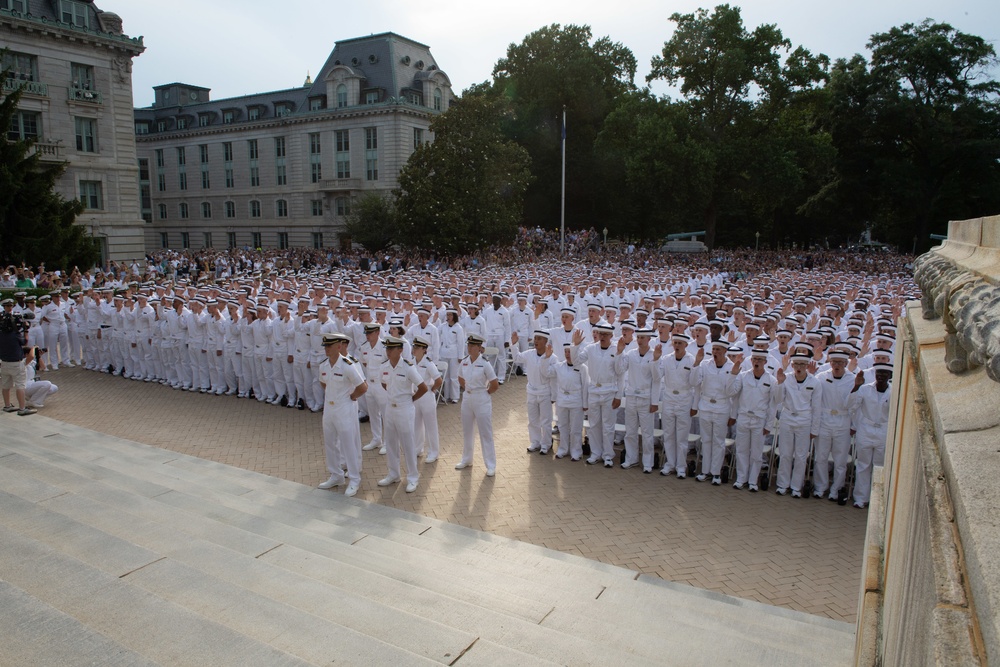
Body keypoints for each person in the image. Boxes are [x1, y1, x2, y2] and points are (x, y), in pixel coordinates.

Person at [317, 332, 367, 497]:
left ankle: (354, 479)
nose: (327, 349)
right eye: (325, 346)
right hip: (329, 408)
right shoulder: (323, 365)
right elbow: (323, 383)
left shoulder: (347, 365)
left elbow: (363, 386)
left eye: (329, 346)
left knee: (348, 444)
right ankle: (336, 475)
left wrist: (352, 397)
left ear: (338, 347)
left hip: (344, 408)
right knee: (330, 443)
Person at [378, 336, 428, 493]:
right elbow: (383, 383)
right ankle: (393, 474)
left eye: (391, 349)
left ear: (400, 350)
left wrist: (410, 398)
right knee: (391, 443)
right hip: (390, 408)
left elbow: (423, 387)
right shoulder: (384, 366)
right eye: (387, 348)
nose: (388, 351)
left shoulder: (408, 367)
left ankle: (413, 477)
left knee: (408, 444)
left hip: (405, 408)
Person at [571, 323, 624, 468]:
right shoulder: (590, 348)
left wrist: (618, 396)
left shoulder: (616, 349)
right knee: (593, 425)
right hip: (594, 390)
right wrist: (575, 346)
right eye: (600, 334)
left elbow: (620, 374)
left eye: (606, 334)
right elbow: (575, 362)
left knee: (608, 426)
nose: (602, 337)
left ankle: (608, 455)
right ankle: (596, 453)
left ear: (611, 336)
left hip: (609, 391)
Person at [773, 353, 823, 497]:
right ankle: (783, 484)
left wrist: (814, 429)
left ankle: (796, 486)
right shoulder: (786, 378)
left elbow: (816, 408)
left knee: (801, 455)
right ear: (792, 365)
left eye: (802, 365)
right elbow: (778, 400)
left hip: (804, 420)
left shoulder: (815, 382)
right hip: (788, 418)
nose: (799, 367)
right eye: (796, 364)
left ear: (807, 366)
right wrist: (780, 383)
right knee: (785, 453)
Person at [729, 349, 777, 491]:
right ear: (751, 361)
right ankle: (741, 478)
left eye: (760, 360)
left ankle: (752, 481)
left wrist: (769, 424)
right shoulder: (742, 376)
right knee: (741, 450)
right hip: (743, 417)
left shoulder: (771, 380)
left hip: (759, 419)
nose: (757, 362)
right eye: (754, 359)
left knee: (756, 453)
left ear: (765, 362)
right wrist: (733, 374)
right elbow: (731, 393)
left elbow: (773, 405)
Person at [848, 363, 893, 509]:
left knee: (879, 467)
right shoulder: (865, 389)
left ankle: (877, 501)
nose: (880, 376)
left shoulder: (894, 392)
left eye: (884, 374)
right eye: (878, 373)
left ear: (890, 376)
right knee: (863, 465)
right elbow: (851, 406)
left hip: (883, 431)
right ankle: (861, 498)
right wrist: (856, 386)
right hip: (866, 430)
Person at [456, 333, 500, 476]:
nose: (469, 348)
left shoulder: (485, 363)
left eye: (473, 346)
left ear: (479, 348)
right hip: (467, 398)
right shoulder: (464, 361)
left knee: (485, 432)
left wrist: (485, 393)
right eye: (468, 345)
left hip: (482, 398)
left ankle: (491, 464)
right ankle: (467, 459)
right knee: (467, 431)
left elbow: (494, 384)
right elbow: (460, 377)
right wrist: (467, 388)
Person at [620, 328, 660, 472]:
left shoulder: (654, 354)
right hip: (631, 396)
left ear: (649, 339)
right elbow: (620, 370)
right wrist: (619, 352)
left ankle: (647, 463)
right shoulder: (631, 354)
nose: (640, 340)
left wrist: (654, 402)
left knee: (647, 433)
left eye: (643, 337)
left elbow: (657, 379)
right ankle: (631, 459)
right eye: (639, 337)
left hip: (646, 398)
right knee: (630, 431)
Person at [511, 329, 556, 455]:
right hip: (531, 391)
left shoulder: (553, 358)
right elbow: (517, 358)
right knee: (532, 420)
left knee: (546, 420)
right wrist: (514, 345)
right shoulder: (530, 354)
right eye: (535, 338)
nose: (536, 341)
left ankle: (546, 444)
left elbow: (553, 378)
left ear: (546, 341)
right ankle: (535, 442)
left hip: (545, 392)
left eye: (539, 339)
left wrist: (554, 395)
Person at [1, 298, 36, 416]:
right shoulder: (16, 335)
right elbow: (25, 342)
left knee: (5, 385)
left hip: (4, 362)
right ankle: (22, 408)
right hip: (16, 363)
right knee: (20, 386)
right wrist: (25, 330)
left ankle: (7, 405)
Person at [411, 335, 442, 463]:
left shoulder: (428, 363)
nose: (414, 349)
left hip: (427, 396)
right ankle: (418, 449)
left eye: (417, 347)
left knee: (430, 425)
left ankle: (433, 452)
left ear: (424, 349)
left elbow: (438, 380)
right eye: (414, 346)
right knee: (416, 424)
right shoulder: (411, 362)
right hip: (415, 396)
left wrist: (432, 389)